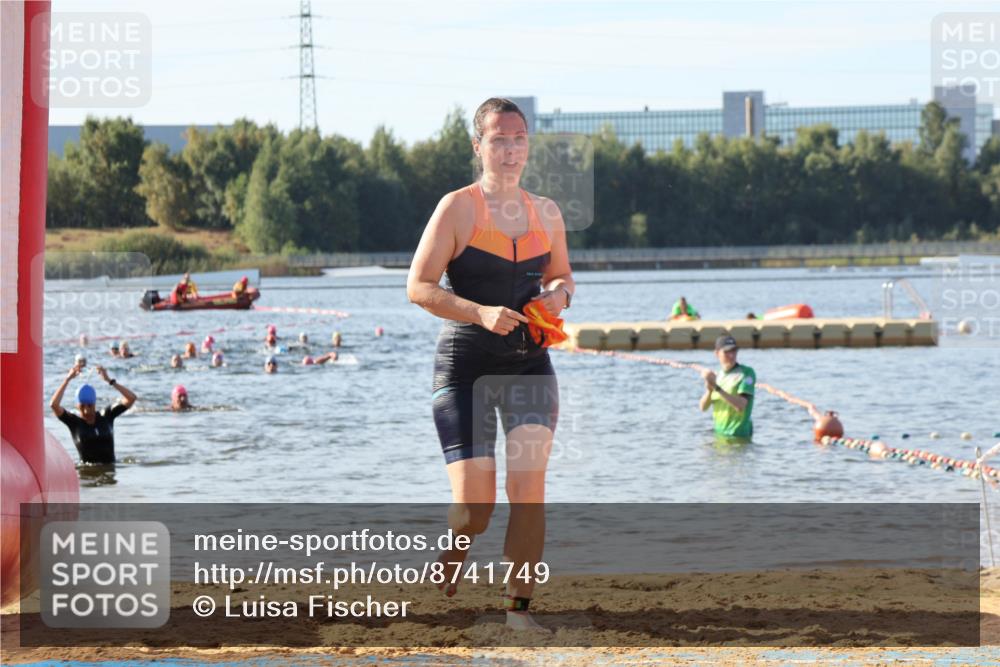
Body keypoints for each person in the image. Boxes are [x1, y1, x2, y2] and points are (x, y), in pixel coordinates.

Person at [406, 97, 574, 631]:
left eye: (519, 138)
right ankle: (459, 542)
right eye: (498, 139)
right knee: (475, 509)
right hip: (467, 370)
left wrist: (558, 297)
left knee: (528, 489)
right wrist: (478, 311)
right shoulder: (456, 208)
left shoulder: (546, 211)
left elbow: (564, 276)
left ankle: (517, 613)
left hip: (530, 366)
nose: (510, 149)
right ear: (478, 146)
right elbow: (418, 287)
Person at [50, 363, 136, 464]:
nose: (86, 410)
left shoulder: (107, 415)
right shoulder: (74, 422)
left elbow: (131, 398)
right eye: (82, 406)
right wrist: (67, 380)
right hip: (86, 476)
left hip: (110, 472)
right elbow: (54, 405)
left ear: (94, 404)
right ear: (77, 406)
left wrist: (110, 381)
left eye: (90, 405)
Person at [699, 335, 756, 440]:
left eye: (734, 351)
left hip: (739, 438)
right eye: (727, 352)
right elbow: (703, 407)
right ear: (716, 354)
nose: (731, 355)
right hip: (719, 436)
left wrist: (716, 387)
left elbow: (741, 405)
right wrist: (709, 389)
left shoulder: (747, 373)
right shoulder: (717, 375)